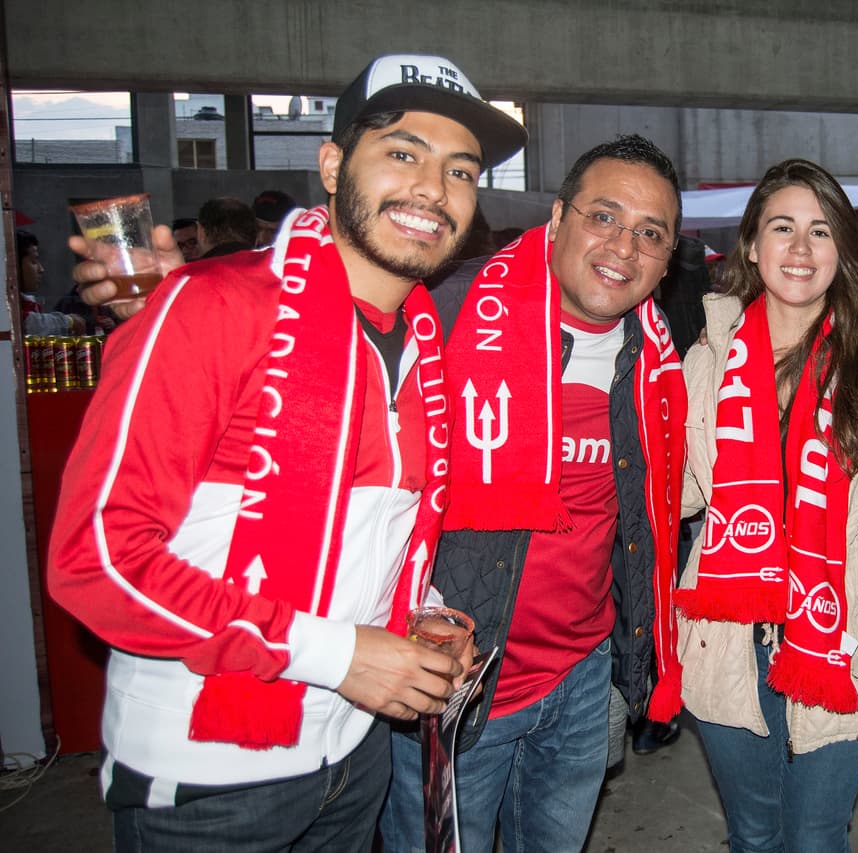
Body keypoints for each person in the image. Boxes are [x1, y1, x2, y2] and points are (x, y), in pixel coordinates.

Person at [47, 52, 527, 850]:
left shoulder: (423, 348)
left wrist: (420, 612)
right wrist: (339, 653)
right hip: (209, 781)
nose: (432, 190)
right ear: (333, 165)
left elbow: (361, 538)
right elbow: (96, 560)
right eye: (402, 153)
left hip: (352, 756)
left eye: (460, 170)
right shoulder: (215, 307)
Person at [378, 134, 688, 853]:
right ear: (556, 220)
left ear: (668, 258)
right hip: (456, 686)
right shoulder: (446, 319)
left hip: (580, 681)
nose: (623, 247)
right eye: (604, 217)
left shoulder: (657, 357)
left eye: (651, 233)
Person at [675, 158, 858, 852]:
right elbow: (677, 497)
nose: (799, 249)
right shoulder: (710, 356)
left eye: (820, 231)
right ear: (753, 246)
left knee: (816, 839)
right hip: (726, 638)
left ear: (844, 251)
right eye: (783, 228)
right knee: (754, 834)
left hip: (840, 644)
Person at [15, 229, 86, 336]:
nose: (41, 269)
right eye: (33, 262)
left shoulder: (25, 303)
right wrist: (69, 322)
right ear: (13, 263)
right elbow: (24, 323)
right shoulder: (11, 312)